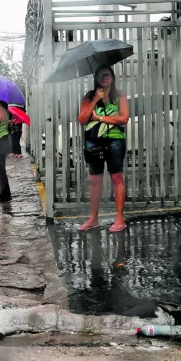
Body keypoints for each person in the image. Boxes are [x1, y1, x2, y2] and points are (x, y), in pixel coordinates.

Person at [76, 65, 130, 234]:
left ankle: (120, 218)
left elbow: (124, 118)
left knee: (117, 178)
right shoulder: (90, 96)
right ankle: (93, 218)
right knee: (94, 181)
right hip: (93, 142)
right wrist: (94, 100)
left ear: (112, 77)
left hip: (115, 141)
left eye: (107, 75)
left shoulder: (119, 95)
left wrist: (100, 117)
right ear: (96, 79)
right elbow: (83, 119)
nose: (104, 77)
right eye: (101, 75)